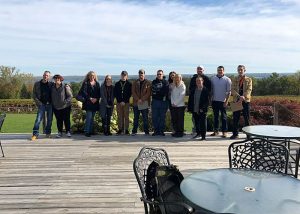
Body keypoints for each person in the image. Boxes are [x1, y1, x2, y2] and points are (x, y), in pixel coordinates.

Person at [230, 65, 252, 139]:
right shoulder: (234, 79)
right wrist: (239, 96)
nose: (240, 71)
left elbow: (249, 89)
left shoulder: (249, 79)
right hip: (236, 100)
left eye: (241, 70)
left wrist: (243, 96)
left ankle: (248, 135)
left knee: (247, 118)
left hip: (246, 101)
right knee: (235, 118)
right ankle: (235, 134)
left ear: (244, 70)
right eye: (238, 70)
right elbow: (232, 89)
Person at [189, 66, 211, 135]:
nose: (199, 70)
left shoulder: (207, 79)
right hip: (195, 101)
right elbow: (190, 89)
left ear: (203, 70)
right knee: (195, 119)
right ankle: (197, 132)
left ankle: (203, 134)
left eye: (201, 69)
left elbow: (209, 90)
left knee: (203, 120)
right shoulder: (193, 78)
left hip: (203, 102)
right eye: (198, 69)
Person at [31, 70, 53, 140]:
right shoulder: (37, 84)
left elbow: (58, 88)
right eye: (44, 75)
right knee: (38, 119)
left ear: (49, 77)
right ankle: (35, 134)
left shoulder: (51, 84)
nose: (45, 76)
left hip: (50, 105)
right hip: (41, 105)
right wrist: (39, 103)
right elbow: (34, 95)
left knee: (49, 120)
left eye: (47, 75)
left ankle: (48, 133)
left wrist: (67, 85)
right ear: (43, 75)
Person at [210, 66, 231, 138]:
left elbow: (229, 92)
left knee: (224, 117)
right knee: (215, 117)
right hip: (215, 101)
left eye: (221, 70)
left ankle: (224, 132)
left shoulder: (227, 79)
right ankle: (216, 131)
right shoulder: (213, 79)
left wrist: (226, 101)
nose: (220, 71)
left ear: (223, 71)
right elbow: (211, 91)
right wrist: (211, 100)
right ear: (217, 70)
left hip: (223, 101)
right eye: (218, 70)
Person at [78, 71, 100, 137]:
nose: (92, 77)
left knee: (92, 118)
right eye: (90, 75)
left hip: (95, 103)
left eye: (93, 75)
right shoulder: (85, 83)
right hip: (88, 103)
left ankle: (90, 131)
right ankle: (87, 131)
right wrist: (90, 98)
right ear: (88, 76)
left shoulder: (97, 83)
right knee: (89, 117)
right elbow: (83, 92)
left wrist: (96, 99)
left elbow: (99, 93)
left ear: (95, 76)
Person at [131, 69, 151, 136]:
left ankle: (146, 132)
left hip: (144, 103)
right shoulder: (135, 82)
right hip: (136, 103)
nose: (141, 75)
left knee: (145, 118)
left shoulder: (148, 82)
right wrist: (138, 99)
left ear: (144, 74)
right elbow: (133, 92)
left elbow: (148, 93)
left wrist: (142, 99)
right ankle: (134, 131)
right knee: (136, 118)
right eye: (140, 74)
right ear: (138, 74)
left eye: (142, 73)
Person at [151, 70, 169, 136]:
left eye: (160, 74)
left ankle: (161, 131)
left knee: (162, 117)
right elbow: (153, 91)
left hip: (163, 102)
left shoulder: (166, 82)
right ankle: (156, 131)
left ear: (162, 74)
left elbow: (165, 91)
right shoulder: (154, 82)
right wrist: (160, 92)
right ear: (156, 75)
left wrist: (158, 91)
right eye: (158, 74)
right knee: (155, 117)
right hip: (155, 101)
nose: (159, 75)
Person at [114, 71, 132, 135]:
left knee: (126, 117)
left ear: (127, 76)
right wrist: (120, 101)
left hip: (126, 103)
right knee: (120, 116)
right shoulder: (117, 84)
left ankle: (126, 130)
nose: (123, 76)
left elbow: (130, 94)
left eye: (125, 75)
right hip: (119, 103)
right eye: (122, 75)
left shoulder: (129, 84)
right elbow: (115, 93)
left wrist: (124, 101)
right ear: (121, 75)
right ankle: (120, 129)